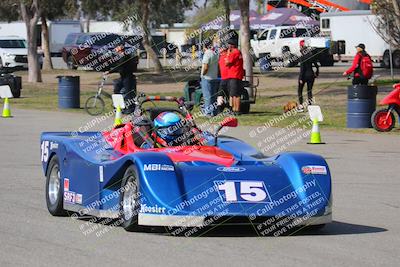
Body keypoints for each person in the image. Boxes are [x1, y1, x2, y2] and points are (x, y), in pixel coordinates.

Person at [109, 45, 138, 114]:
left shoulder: (125, 57)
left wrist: (109, 72)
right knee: (116, 90)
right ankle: (118, 106)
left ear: (120, 49)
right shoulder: (120, 57)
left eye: (117, 49)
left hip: (128, 77)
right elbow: (117, 66)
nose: (116, 51)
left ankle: (131, 109)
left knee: (129, 93)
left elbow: (119, 66)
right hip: (123, 77)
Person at [224, 39, 244, 115]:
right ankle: (234, 110)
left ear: (231, 45)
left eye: (229, 45)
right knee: (234, 94)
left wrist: (228, 54)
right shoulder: (237, 52)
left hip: (234, 75)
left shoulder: (234, 52)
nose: (228, 46)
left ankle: (236, 110)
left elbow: (227, 63)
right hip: (236, 75)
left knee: (235, 94)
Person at [200, 41, 219, 117]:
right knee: (213, 96)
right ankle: (214, 112)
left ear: (204, 46)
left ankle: (207, 113)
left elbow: (206, 66)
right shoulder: (214, 53)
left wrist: (203, 74)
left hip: (207, 77)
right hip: (214, 77)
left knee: (207, 96)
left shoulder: (207, 53)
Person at [217, 43, 230, 113]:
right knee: (228, 95)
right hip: (230, 79)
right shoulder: (228, 56)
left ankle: (219, 110)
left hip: (223, 79)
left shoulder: (221, 57)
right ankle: (229, 109)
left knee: (220, 95)